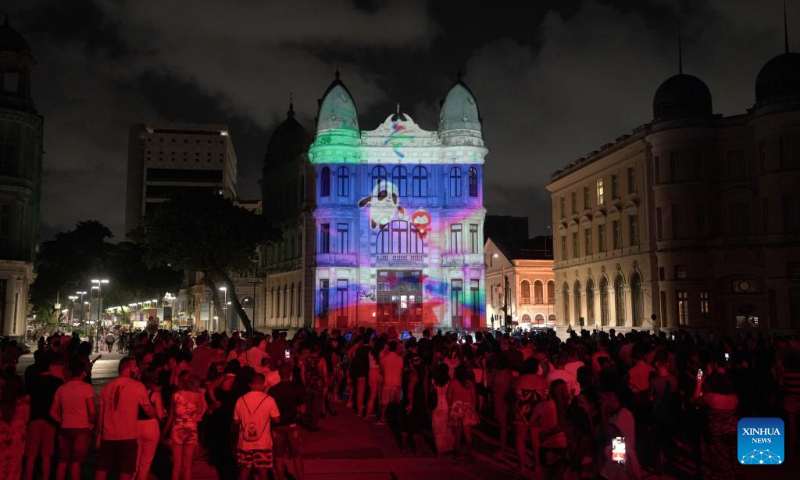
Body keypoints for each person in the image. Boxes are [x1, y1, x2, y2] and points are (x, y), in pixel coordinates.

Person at [95, 357, 157, 480]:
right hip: (127, 435)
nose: (137, 369)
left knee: (102, 469)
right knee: (126, 471)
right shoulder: (137, 386)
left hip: (108, 435)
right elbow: (148, 410)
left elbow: (101, 414)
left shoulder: (106, 387)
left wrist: (98, 435)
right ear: (128, 368)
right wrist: (158, 414)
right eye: (135, 367)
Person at [50, 362, 96, 480]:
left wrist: (61, 421)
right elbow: (91, 410)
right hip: (81, 427)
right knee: (76, 462)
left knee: (63, 461)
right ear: (82, 373)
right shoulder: (87, 388)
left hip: (65, 427)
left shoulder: (62, 388)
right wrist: (92, 423)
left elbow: (52, 412)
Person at [24, 354, 65, 480]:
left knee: (31, 455)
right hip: (50, 420)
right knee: (46, 455)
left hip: (34, 418)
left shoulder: (32, 382)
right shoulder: (57, 382)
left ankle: (28, 477)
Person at [234, 373, 280, 480]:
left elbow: (236, 422)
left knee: (243, 473)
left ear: (250, 385)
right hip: (263, 443)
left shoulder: (240, 400)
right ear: (263, 384)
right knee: (263, 473)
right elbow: (277, 419)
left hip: (245, 443)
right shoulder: (269, 399)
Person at [165, 371, 206, 480]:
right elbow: (200, 410)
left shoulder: (175, 395)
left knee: (176, 464)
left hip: (178, 428)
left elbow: (172, 414)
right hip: (191, 428)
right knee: (188, 464)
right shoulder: (197, 395)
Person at [269, 364, 305, 480]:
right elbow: (303, 410)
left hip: (277, 426)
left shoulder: (273, 390)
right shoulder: (297, 388)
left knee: (279, 457)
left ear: (279, 374)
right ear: (290, 374)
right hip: (292, 425)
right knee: (296, 455)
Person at [135, 370, 165, 480]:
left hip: (136, 425)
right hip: (151, 426)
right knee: (146, 461)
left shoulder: (136, 393)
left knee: (135, 459)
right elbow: (160, 415)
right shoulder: (154, 395)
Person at [0, 375, 30, 480]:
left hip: (3, 437)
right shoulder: (24, 404)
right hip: (17, 439)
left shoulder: (2, 403)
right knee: (15, 466)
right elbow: (27, 419)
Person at [447, 363, 478, 458]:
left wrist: (450, 408)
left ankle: (456, 452)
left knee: (457, 432)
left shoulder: (452, 383)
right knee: (467, 432)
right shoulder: (470, 384)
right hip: (467, 406)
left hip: (457, 407)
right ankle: (469, 451)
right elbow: (473, 398)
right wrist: (473, 409)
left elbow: (449, 397)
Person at [299, 346, 326, 431]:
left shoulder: (306, 360)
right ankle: (313, 425)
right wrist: (325, 385)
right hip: (318, 385)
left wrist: (305, 383)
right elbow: (324, 373)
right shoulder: (321, 360)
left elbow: (302, 373)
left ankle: (306, 422)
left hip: (308, 385)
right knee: (316, 405)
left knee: (308, 405)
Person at [377, 340, 403, 426]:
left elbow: (381, 371)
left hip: (387, 382)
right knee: (397, 401)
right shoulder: (400, 359)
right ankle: (396, 417)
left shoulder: (383, 359)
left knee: (384, 401)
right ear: (395, 348)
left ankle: (382, 418)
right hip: (397, 382)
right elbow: (401, 371)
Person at [430, 364, 453, 456]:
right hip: (446, 405)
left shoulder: (433, 381)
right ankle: (447, 448)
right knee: (446, 428)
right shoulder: (449, 381)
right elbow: (449, 395)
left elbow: (431, 393)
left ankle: (440, 451)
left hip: (436, 405)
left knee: (437, 429)